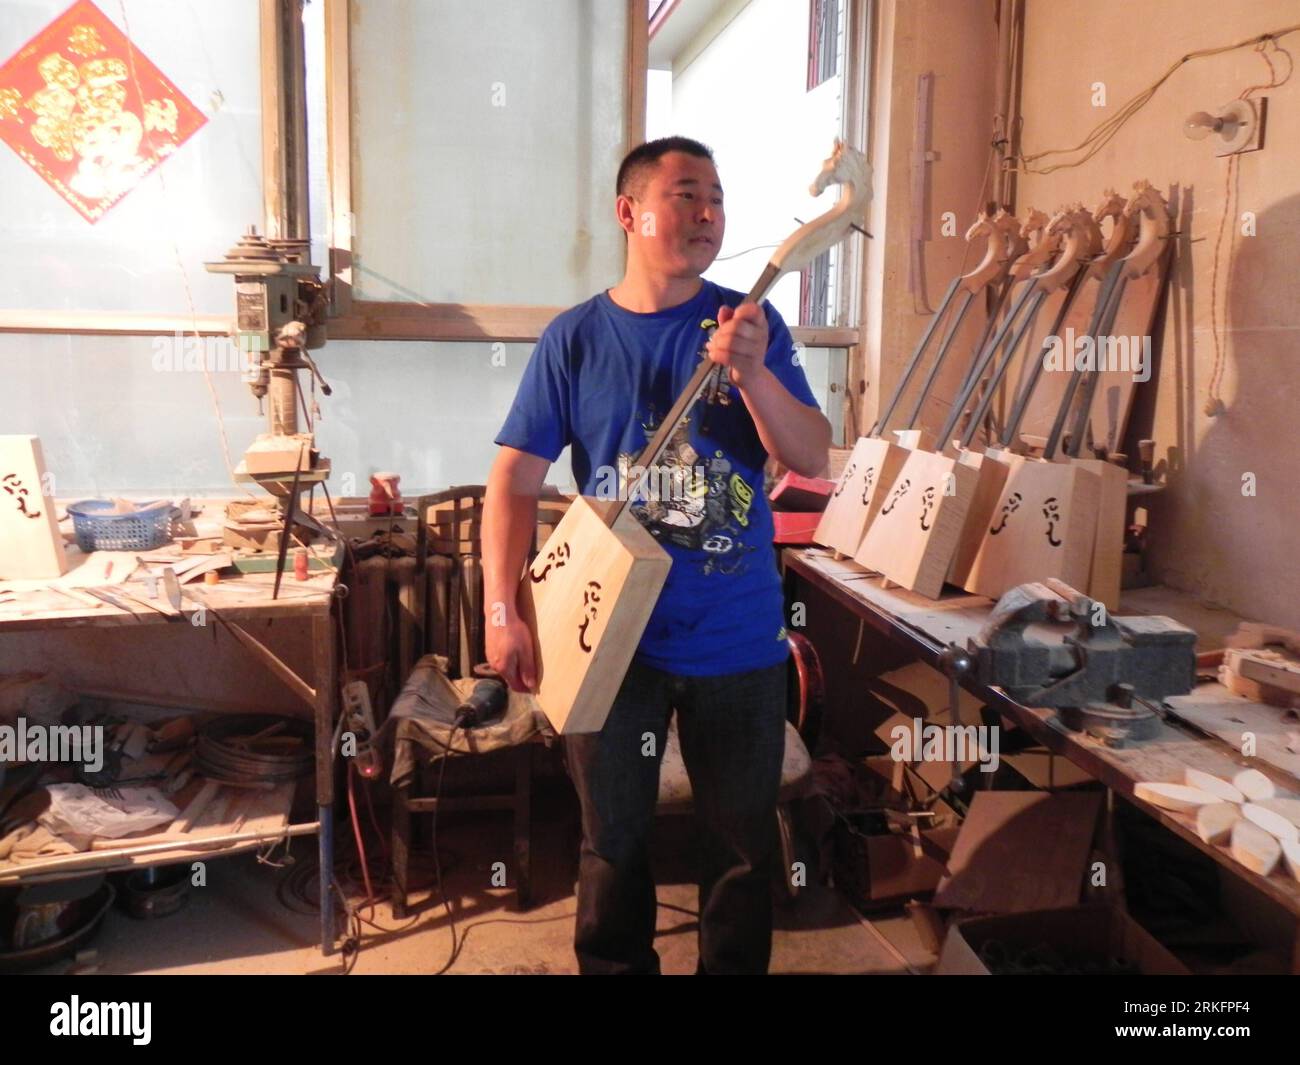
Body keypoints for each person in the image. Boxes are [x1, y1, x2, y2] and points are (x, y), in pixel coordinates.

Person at [482, 136, 831, 974]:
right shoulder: (574, 339)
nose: (707, 211)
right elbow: (512, 481)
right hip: (608, 640)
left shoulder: (751, 326)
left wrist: (753, 376)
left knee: (742, 853)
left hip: (737, 640)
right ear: (629, 212)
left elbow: (812, 453)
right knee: (612, 845)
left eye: (716, 196)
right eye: (685, 193)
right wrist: (504, 610)